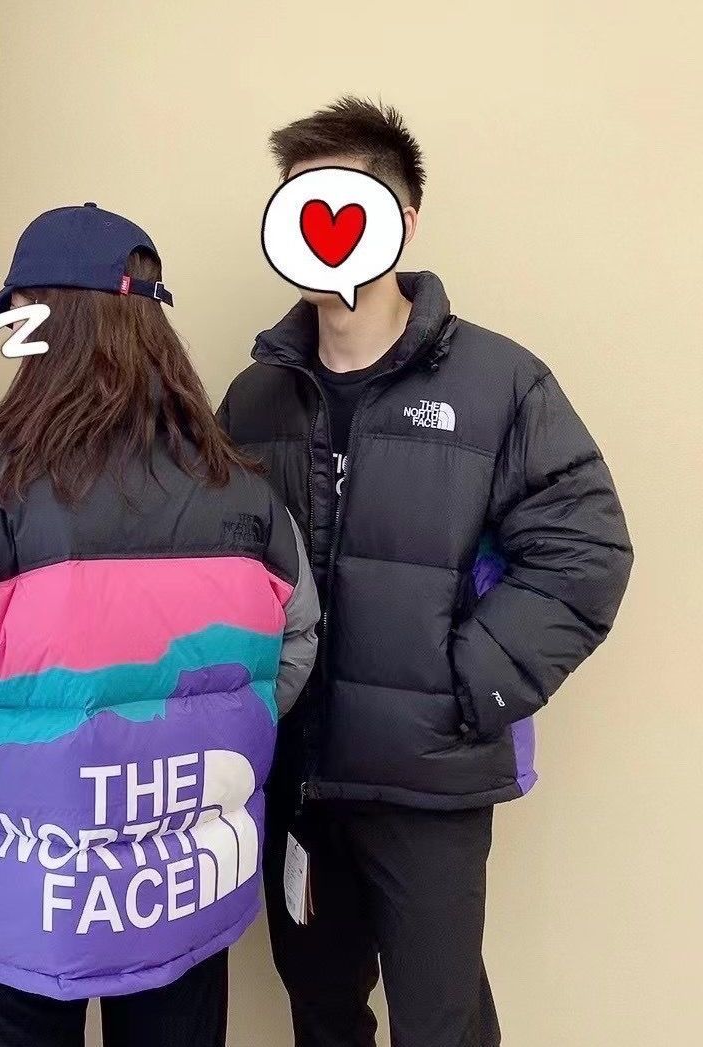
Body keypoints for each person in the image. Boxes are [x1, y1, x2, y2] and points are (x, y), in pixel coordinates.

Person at [218, 98, 634, 1047]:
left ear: (402, 223)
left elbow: (586, 550)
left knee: (440, 1026)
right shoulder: (255, 396)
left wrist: (464, 684)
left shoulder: (499, 383)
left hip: (429, 785)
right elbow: (222, 563)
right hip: (298, 777)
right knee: (321, 1014)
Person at [0, 203, 319, 1047]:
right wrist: (194, 731)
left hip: (25, 912)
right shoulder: (243, 491)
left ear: (45, 324)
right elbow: (294, 642)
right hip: (180, 899)